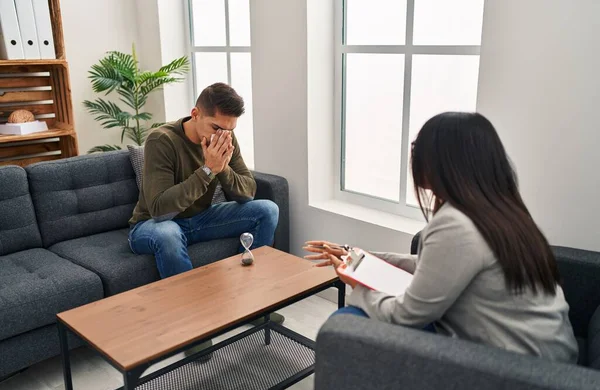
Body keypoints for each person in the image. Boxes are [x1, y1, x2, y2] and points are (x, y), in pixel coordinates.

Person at [305, 112, 578, 363]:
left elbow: (407, 315)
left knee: (347, 320)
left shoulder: (457, 224)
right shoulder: (501, 210)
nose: (414, 157)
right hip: (553, 354)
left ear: (445, 162)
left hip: (520, 371)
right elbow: (437, 267)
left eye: (418, 149)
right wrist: (359, 255)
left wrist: (358, 285)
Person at [128, 83, 282, 356]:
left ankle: (251, 304)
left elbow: (247, 192)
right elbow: (160, 210)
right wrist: (208, 169)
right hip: (151, 225)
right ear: (195, 113)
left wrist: (221, 168)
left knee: (267, 209)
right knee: (167, 233)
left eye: (230, 130)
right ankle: (194, 326)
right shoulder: (161, 140)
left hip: (199, 219)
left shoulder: (225, 139)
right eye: (216, 128)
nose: (224, 136)